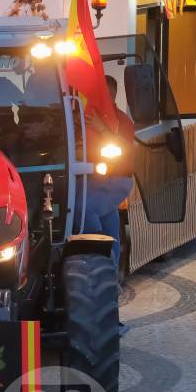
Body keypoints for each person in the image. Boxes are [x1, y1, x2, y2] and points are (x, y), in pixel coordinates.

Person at [82, 77, 136, 267]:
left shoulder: (122, 120)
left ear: (112, 96)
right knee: (108, 216)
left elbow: (125, 149)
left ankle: (101, 261)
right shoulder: (87, 115)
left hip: (117, 179)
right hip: (93, 180)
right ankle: (112, 270)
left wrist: (102, 129)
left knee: (84, 209)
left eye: (103, 94)